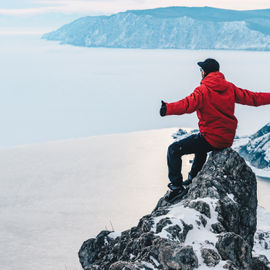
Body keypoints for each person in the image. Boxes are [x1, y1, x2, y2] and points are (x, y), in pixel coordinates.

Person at [160, 58, 270, 202]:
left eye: (201, 70)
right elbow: (254, 98)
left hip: (211, 138)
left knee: (173, 149)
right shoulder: (229, 87)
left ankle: (176, 187)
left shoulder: (202, 91)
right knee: (200, 143)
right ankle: (193, 178)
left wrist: (167, 108)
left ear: (204, 72)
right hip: (226, 138)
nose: (200, 72)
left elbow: (186, 105)